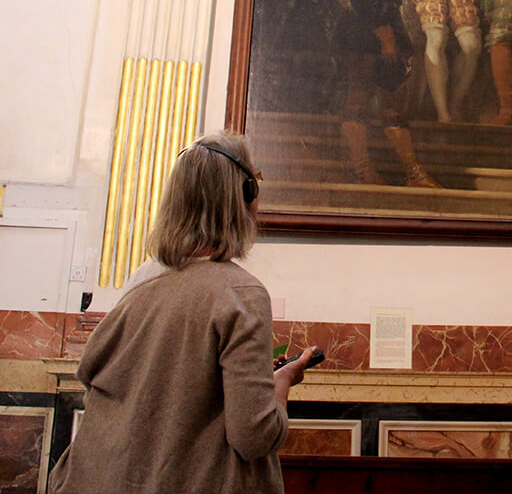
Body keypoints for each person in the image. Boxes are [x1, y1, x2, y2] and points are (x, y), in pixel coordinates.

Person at [49, 131, 318, 494]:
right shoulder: (241, 294)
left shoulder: (142, 279)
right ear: (243, 197)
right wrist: (279, 388)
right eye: (255, 181)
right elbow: (254, 436)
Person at [337, 0, 441, 187]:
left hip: (376, 32)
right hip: (368, 35)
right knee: (359, 100)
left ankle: (412, 173)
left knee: (392, 105)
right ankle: (365, 172)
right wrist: (385, 35)